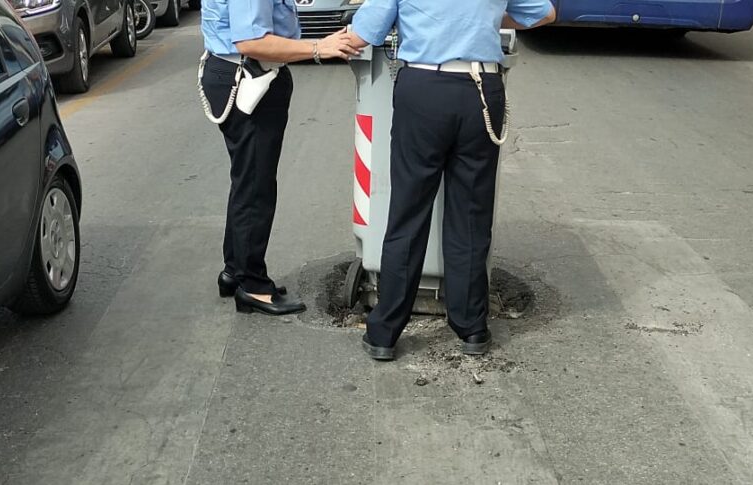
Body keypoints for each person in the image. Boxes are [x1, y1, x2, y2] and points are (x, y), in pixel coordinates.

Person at [349, 0, 556, 360]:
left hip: (425, 86)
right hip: (482, 89)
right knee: (471, 214)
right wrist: (487, 15)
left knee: (408, 213)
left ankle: (385, 333)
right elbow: (545, 13)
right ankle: (472, 327)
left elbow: (366, 32)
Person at [200, 0, 358, 315]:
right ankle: (253, 287)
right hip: (250, 76)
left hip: (237, 71)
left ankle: (235, 270)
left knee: (246, 179)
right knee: (256, 186)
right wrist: (319, 47)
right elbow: (253, 41)